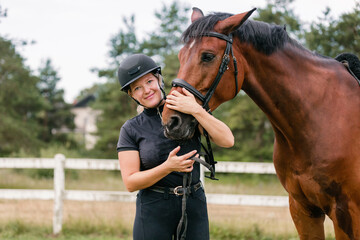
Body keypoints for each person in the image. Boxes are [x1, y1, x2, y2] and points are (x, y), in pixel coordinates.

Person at [116, 54, 234, 240]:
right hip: (153, 208)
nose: (146, 90)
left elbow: (227, 140)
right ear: (131, 95)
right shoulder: (131, 129)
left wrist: (195, 109)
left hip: (193, 203)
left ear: (159, 80)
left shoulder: (186, 111)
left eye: (149, 81)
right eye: (137, 88)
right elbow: (131, 183)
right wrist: (168, 167)